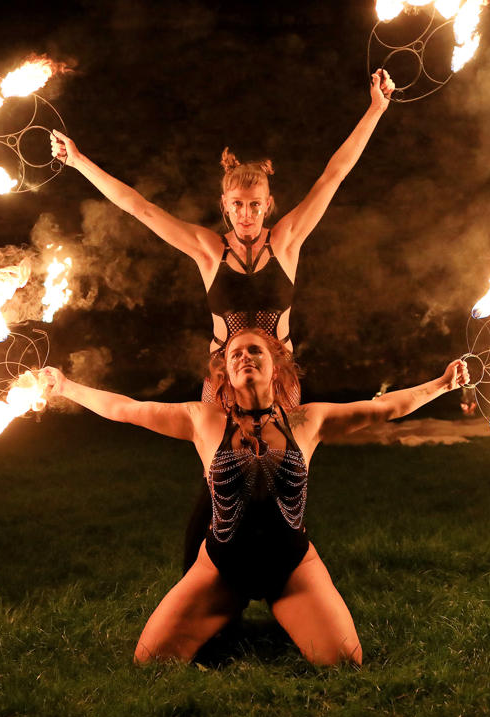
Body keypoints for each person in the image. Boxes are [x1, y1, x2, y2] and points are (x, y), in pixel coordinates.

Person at [52, 70, 397, 569]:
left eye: (256, 205)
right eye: (238, 205)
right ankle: (204, 568)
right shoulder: (207, 251)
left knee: (281, 470)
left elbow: (334, 175)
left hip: (280, 377)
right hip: (223, 376)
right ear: (224, 205)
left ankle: (286, 568)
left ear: (268, 205)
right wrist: (80, 160)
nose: (247, 214)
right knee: (222, 472)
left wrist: (375, 110)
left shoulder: (288, 240)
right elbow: (140, 208)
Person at [45, 328, 469, 666]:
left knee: (344, 661)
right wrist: (65, 387)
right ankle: (225, 612)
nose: (245, 357)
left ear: (275, 368)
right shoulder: (203, 420)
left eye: (255, 351)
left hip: (292, 565)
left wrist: (442, 385)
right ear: (226, 374)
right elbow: (126, 408)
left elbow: (383, 408)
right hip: (222, 566)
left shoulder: (308, 420)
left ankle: (283, 612)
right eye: (235, 354)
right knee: (149, 662)